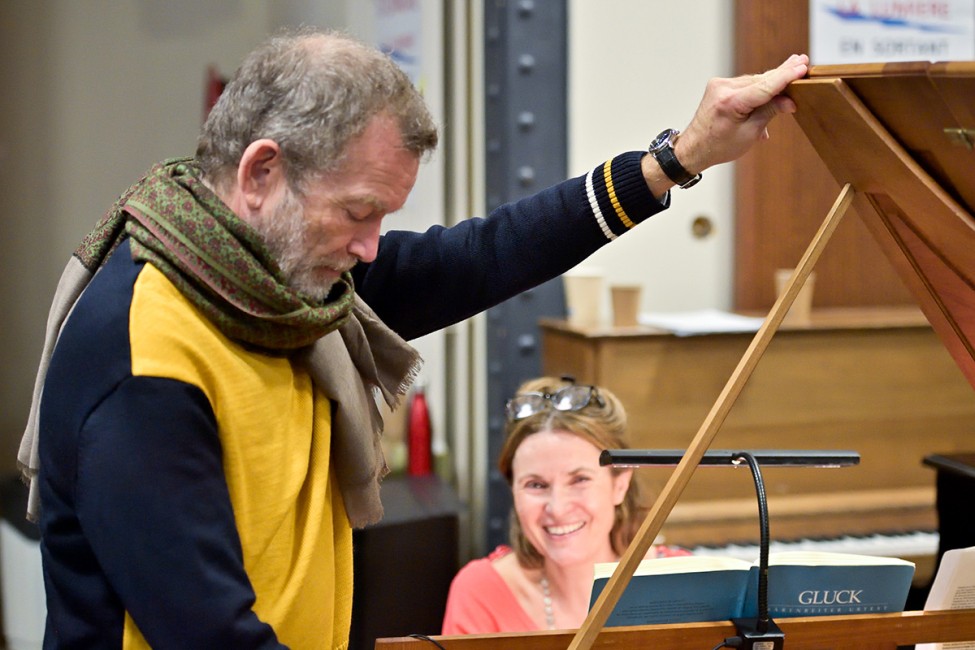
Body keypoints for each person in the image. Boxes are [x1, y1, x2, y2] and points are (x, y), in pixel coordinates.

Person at [15, 25, 808, 649]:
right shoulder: (146, 357)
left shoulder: (284, 283)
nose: (371, 248)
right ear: (261, 173)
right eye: (360, 212)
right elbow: (208, 633)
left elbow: (484, 255)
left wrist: (681, 156)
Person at [441, 376, 687, 634]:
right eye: (536, 485)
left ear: (620, 485)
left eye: (579, 480)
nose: (557, 508)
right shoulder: (480, 593)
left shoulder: (687, 584)